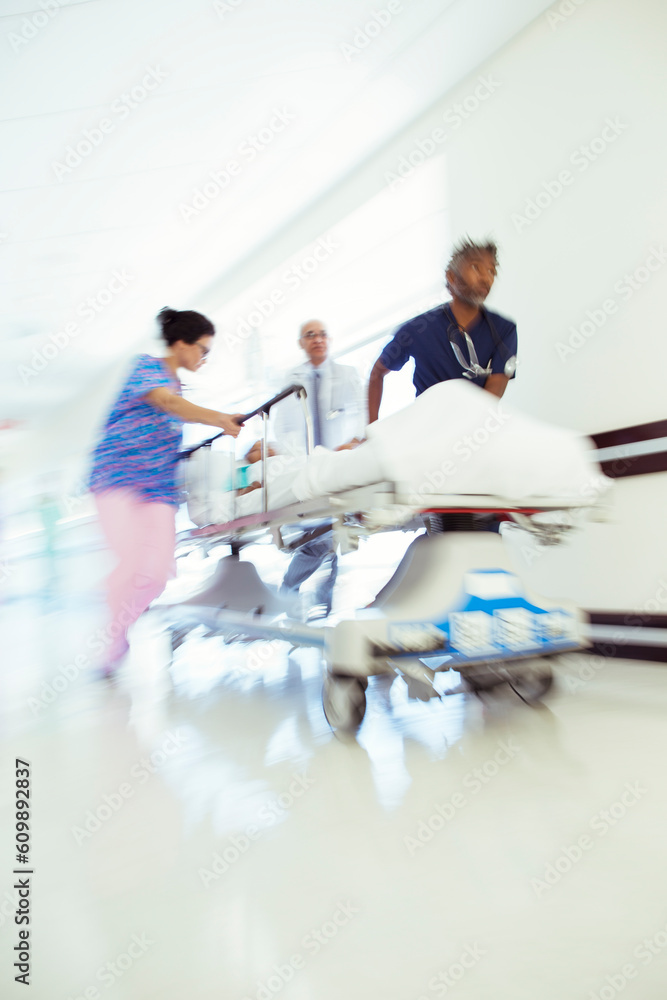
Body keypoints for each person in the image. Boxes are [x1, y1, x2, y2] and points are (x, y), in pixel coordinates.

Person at [88, 306, 243, 677]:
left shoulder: (179, 387)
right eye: (202, 350)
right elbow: (169, 405)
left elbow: (176, 411)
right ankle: (112, 642)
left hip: (157, 489)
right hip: (116, 478)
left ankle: (118, 619)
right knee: (128, 564)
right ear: (180, 344)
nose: (204, 358)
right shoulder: (146, 368)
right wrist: (219, 417)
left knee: (156, 574)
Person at [271, 318, 365, 618]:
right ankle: (297, 592)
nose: (317, 339)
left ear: (330, 339)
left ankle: (315, 600)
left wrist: (351, 444)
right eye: (310, 335)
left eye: (322, 334)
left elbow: (361, 418)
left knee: (331, 535)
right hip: (307, 468)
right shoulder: (291, 379)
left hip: (339, 465)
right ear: (301, 343)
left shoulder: (347, 375)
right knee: (320, 539)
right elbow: (283, 427)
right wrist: (301, 459)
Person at [367, 238, 518, 423]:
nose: (486, 278)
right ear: (452, 277)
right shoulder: (418, 329)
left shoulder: (504, 330)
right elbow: (377, 373)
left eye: (491, 271)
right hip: (428, 432)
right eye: (476, 268)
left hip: (474, 432)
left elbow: (494, 391)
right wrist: (371, 431)